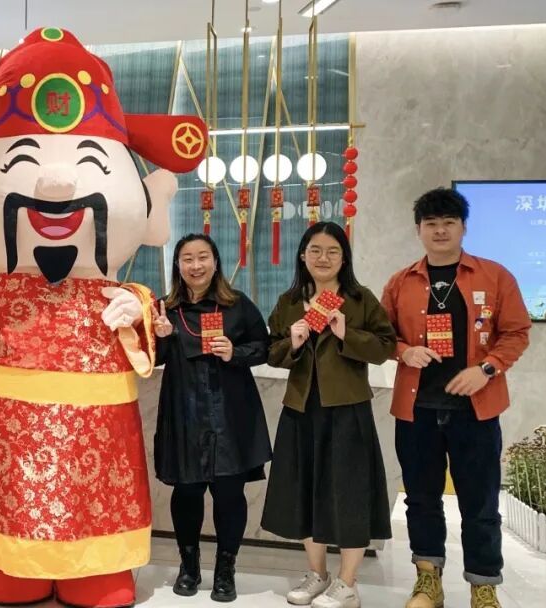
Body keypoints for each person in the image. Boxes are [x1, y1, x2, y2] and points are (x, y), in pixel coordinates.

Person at [381, 188, 530, 608]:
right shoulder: (401, 282)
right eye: (431, 224)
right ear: (419, 230)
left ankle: (483, 586)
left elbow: (516, 332)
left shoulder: (494, 276)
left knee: (480, 503)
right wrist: (403, 351)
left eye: (449, 222)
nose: (440, 231)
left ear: (464, 227)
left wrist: (486, 369)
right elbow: (381, 335)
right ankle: (428, 581)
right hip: (417, 410)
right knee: (420, 500)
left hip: (475, 412)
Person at [261, 221, 396, 608]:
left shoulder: (359, 298)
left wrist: (345, 333)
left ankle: (347, 582)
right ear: (303, 255)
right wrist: (293, 342)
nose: (323, 258)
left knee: (349, 494)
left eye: (333, 251)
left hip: (347, 410)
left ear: (344, 258)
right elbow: (271, 351)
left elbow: (385, 346)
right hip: (301, 409)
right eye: (315, 250)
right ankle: (317, 574)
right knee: (305, 491)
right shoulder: (290, 301)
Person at [153, 234, 271, 602]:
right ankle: (189, 567)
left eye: (203, 257)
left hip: (230, 411)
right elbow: (151, 358)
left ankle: (225, 570)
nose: (196, 265)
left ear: (215, 262)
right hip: (184, 411)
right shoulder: (166, 308)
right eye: (187, 258)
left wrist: (235, 352)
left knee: (229, 492)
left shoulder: (237, 304)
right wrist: (161, 337)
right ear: (178, 265)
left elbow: (264, 347)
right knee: (186, 491)